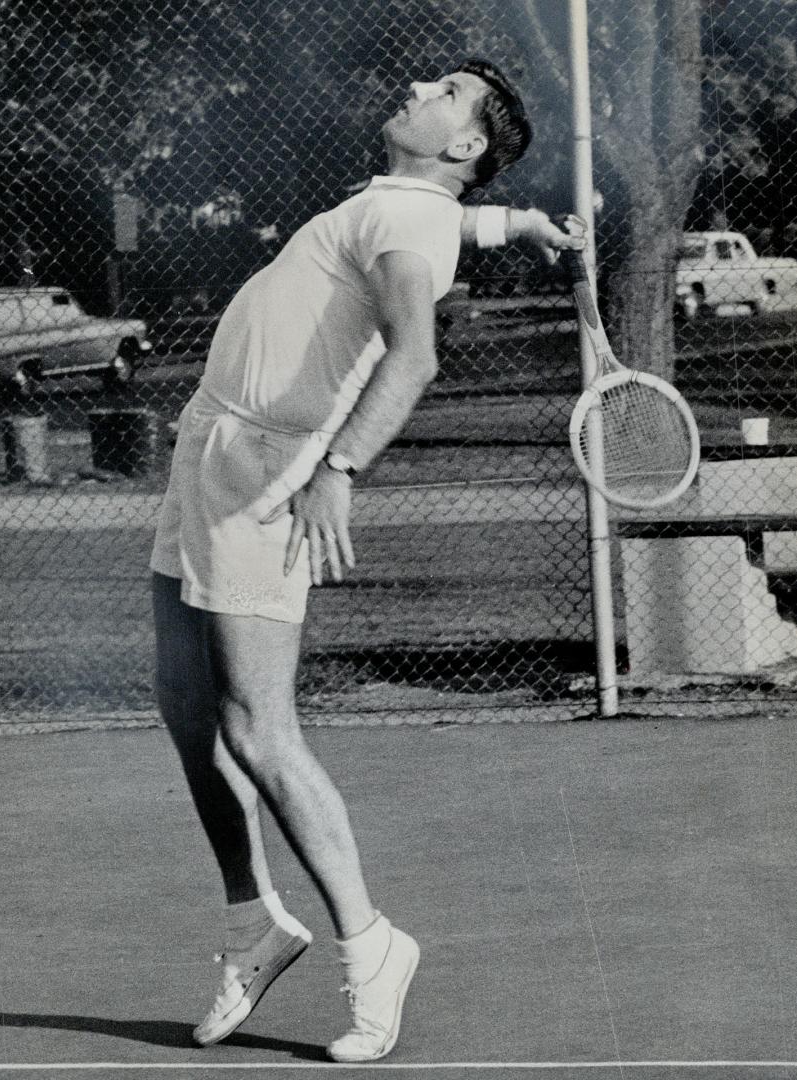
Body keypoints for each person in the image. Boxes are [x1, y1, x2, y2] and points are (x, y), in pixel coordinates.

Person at [150, 57, 585, 1063]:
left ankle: (370, 943)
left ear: (465, 143)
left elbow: (415, 352)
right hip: (206, 450)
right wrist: (514, 222)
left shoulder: (409, 222)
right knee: (185, 706)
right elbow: (440, 222)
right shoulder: (408, 203)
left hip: (264, 473)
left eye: (443, 94)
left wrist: (340, 464)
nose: (416, 93)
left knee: (259, 729)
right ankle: (251, 923)